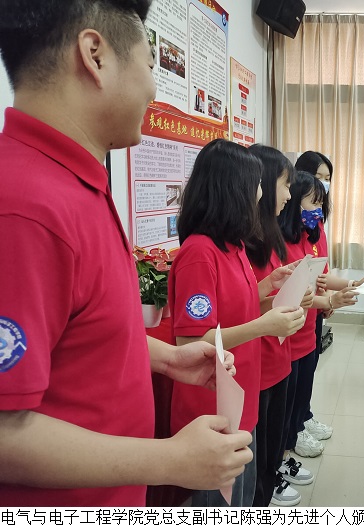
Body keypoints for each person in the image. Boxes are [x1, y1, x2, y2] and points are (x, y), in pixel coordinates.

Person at [0, 0, 253, 506]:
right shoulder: (25, 207)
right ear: (95, 55)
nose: (154, 88)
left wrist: (167, 357)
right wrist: (168, 459)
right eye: (150, 65)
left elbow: (82, 335)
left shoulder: (78, 184)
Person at [168, 139, 306, 507]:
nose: (261, 194)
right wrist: (263, 327)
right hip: (212, 408)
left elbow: (237, 308)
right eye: (257, 184)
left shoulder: (235, 245)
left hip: (241, 399)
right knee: (218, 504)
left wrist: (269, 287)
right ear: (234, 190)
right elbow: (190, 342)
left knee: (243, 499)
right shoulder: (199, 253)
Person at [246, 144, 314, 507]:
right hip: (258, 360)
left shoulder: (270, 234)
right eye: (286, 185)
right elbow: (241, 307)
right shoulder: (243, 241)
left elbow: (258, 297)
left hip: (279, 355)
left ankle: (270, 485)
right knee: (256, 458)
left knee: (272, 447)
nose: (290, 195)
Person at [277, 172, 358, 467]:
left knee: (302, 391)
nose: (319, 210)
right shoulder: (281, 242)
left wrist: (351, 285)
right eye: (314, 201)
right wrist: (330, 302)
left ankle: (297, 430)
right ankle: (286, 448)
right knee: (285, 404)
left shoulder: (310, 235)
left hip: (308, 329)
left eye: (321, 203)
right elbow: (292, 295)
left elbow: (320, 279)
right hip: (288, 334)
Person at [294, 151, 364, 445]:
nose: (324, 184)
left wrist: (344, 288)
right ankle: (295, 428)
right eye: (318, 177)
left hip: (315, 309)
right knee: (296, 377)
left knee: (309, 369)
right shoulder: (293, 230)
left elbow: (320, 272)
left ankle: (304, 416)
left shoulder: (316, 224)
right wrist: (327, 299)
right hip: (299, 313)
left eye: (328, 179)